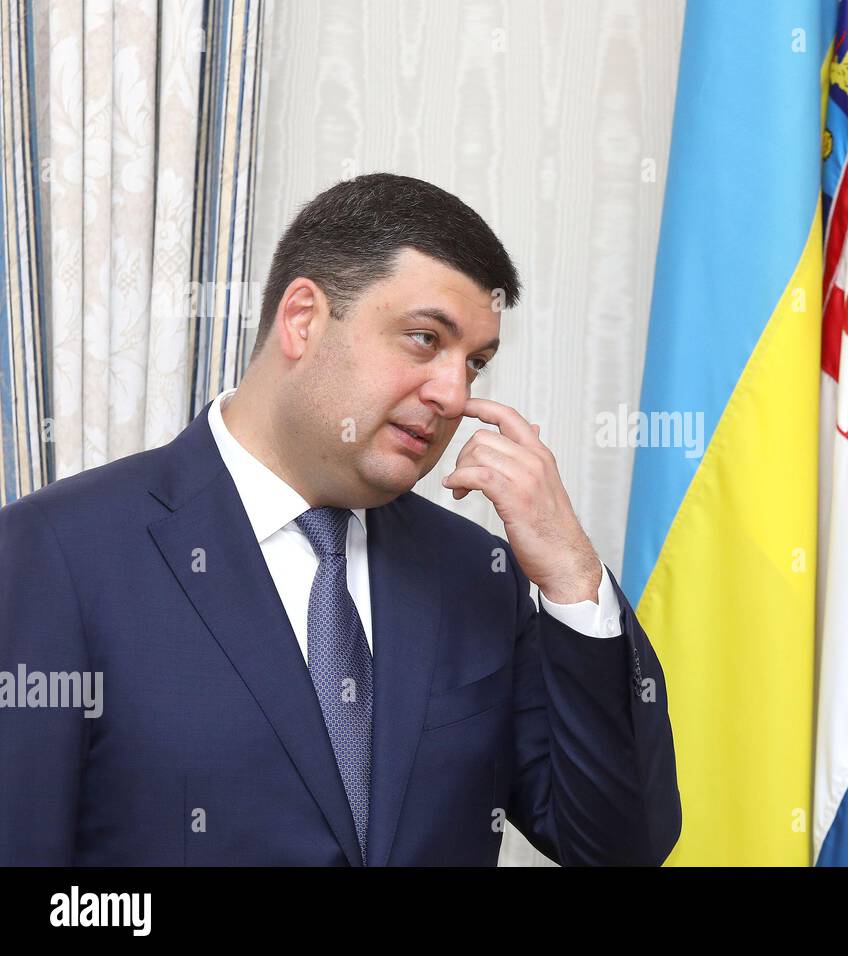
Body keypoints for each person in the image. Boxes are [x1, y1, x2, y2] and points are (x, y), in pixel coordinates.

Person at [0, 173, 681, 866]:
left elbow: (621, 850)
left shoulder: (479, 572)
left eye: (474, 364)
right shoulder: (57, 554)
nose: (452, 394)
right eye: (424, 339)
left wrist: (571, 572)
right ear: (303, 320)